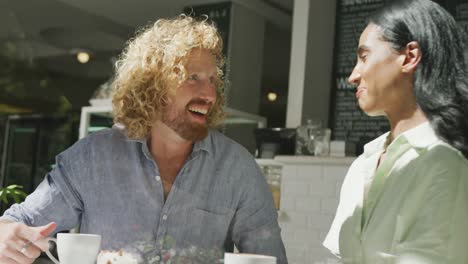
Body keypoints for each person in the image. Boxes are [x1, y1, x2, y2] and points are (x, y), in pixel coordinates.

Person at [0, 15, 287, 264]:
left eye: (213, 80)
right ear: (152, 86)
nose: (209, 94)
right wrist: (6, 235)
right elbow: (18, 222)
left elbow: (270, 257)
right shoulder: (93, 158)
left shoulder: (238, 168)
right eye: (193, 78)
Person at [323, 0, 468, 263]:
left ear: (410, 56)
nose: (353, 76)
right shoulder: (364, 164)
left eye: (364, 56)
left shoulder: (445, 163)